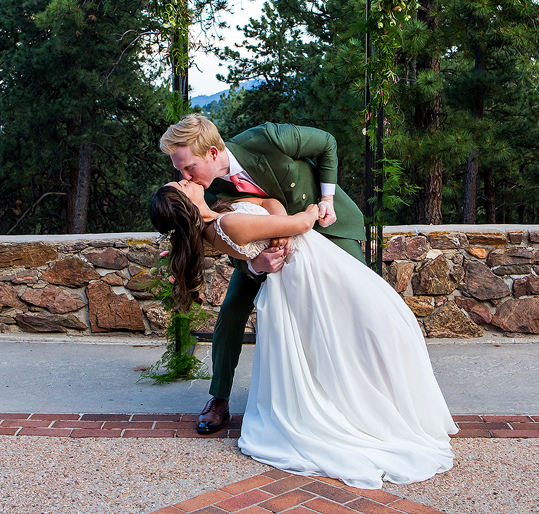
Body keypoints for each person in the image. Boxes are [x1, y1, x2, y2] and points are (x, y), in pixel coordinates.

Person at [150, 180, 457, 489]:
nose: (186, 179)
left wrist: (280, 230)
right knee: (365, 328)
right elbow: (300, 222)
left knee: (365, 326)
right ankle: (369, 408)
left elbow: (270, 202)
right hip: (307, 269)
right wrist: (313, 209)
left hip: (311, 260)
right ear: (183, 204)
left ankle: (383, 400)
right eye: (181, 184)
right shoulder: (227, 223)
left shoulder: (220, 216)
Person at [159, 115, 366, 434]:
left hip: (326, 226)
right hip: (264, 254)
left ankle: (365, 390)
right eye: (180, 171)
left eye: (189, 168)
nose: (186, 177)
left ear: (213, 153)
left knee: (362, 300)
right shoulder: (204, 196)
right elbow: (231, 242)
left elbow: (326, 143)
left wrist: (324, 200)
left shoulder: (267, 139)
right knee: (230, 311)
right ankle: (219, 399)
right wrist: (257, 265)